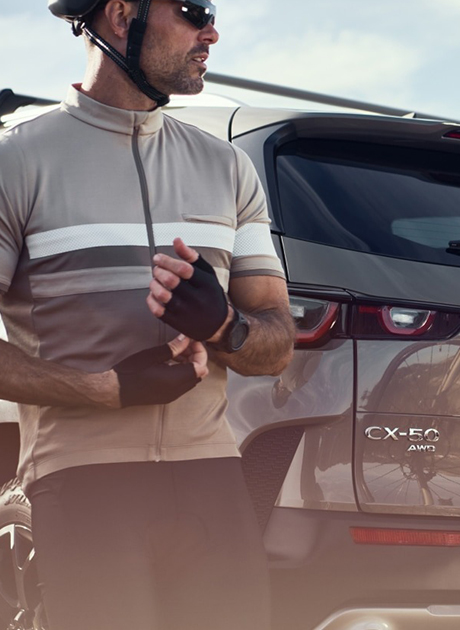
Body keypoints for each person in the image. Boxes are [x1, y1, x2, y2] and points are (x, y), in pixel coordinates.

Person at [0, 0, 294, 627]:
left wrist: (224, 327)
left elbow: (277, 346)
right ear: (120, 14)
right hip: (82, 483)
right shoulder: (16, 160)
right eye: (193, 11)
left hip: (212, 478)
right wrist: (103, 389)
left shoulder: (227, 167)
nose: (211, 31)